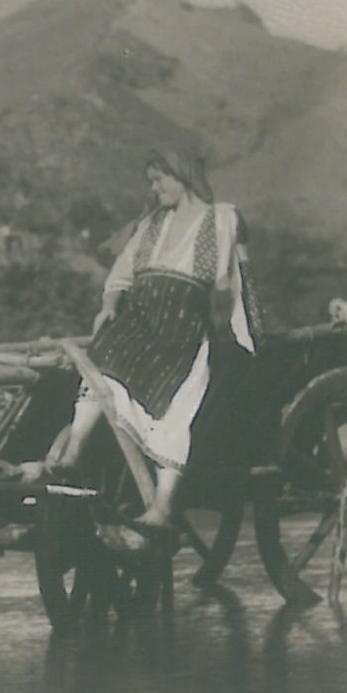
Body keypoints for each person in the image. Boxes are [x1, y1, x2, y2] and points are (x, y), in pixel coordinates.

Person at [24, 149, 260, 536]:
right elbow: (121, 274)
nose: (155, 188)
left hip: (182, 327)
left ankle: (162, 505)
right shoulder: (152, 226)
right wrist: (108, 306)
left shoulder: (220, 219)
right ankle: (72, 453)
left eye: (159, 179)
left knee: (172, 407)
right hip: (140, 321)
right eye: (151, 180)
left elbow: (233, 282)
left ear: (181, 175)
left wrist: (230, 325)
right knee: (100, 359)